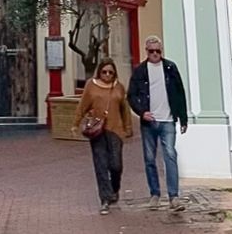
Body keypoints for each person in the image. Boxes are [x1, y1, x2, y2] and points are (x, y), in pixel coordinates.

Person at [127, 36, 188, 213]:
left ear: (162, 51)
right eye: (151, 51)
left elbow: (179, 93)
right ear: (146, 51)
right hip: (149, 122)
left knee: (170, 155)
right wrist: (141, 112)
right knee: (149, 159)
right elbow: (131, 95)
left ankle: (173, 196)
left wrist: (183, 118)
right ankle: (155, 193)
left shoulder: (170, 68)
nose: (155, 54)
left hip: (168, 120)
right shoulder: (140, 71)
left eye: (158, 51)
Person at [71, 58, 133, 215]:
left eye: (110, 72)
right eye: (104, 72)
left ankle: (114, 189)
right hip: (98, 131)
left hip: (115, 131)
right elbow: (82, 105)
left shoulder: (119, 87)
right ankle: (105, 199)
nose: (107, 75)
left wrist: (128, 128)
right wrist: (75, 123)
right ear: (99, 72)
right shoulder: (91, 86)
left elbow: (125, 109)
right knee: (101, 165)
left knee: (116, 165)